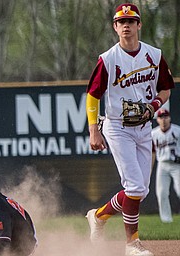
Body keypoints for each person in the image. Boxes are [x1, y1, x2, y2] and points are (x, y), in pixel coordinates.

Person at [85, 3, 174, 256]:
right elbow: (93, 95)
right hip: (118, 127)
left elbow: (165, 89)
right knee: (134, 187)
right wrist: (94, 130)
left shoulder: (154, 55)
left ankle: (99, 216)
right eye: (121, 22)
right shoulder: (108, 59)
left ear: (139, 25)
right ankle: (132, 244)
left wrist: (153, 106)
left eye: (131, 21)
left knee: (140, 191)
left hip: (144, 126)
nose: (126, 25)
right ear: (115, 27)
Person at [152, 108, 180, 223]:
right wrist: (149, 170)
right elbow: (152, 152)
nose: (163, 120)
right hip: (162, 165)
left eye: (165, 117)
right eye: (161, 117)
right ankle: (166, 220)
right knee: (161, 192)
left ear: (169, 118)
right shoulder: (153, 133)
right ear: (157, 120)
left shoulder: (177, 130)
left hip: (177, 165)